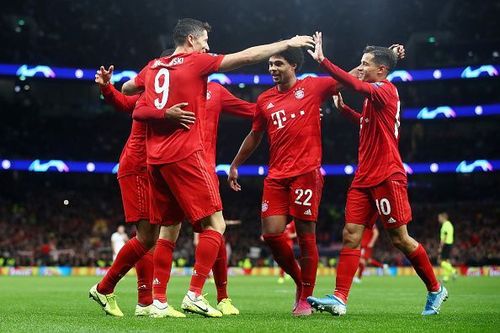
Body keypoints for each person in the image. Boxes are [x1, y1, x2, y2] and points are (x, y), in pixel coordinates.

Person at [90, 17, 314, 318]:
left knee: (159, 233)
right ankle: (194, 293)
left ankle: (150, 299)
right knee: (215, 225)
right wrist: (288, 43)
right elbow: (247, 56)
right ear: (192, 40)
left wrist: (122, 93)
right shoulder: (197, 63)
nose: (208, 45)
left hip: (156, 161)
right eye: (205, 40)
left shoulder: (155, 66)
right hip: (185, 156)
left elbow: (130, 89)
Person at [306, 31, 447, 316]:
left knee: (400, 239)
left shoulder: (386, 90)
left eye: (365, 64)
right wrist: (344, 110)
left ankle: (435, 289)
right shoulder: (374, 100)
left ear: (381, 70)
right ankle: (339, 299)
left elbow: (357, 86)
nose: (360, 68)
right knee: (351, 234)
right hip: (364, 177)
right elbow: (365, 124)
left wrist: (324, 62)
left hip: (386, 175)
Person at [228, 46, 340, 316]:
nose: (272, 69)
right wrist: (235, 164)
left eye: (278, 64)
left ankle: (306, 297)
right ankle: (301, 280)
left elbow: (351, 77)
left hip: (306, 172)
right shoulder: (264, 99)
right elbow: (255, 135)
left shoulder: (313, 87)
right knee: (271, 234)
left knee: (305, 235)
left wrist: (388, 56)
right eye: (270, 65)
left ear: (293, 66)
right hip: (276, 175)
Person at [92, 64, 187, 317]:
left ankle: (145, 303)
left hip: (152, 172)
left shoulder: (167, 100)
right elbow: (127, 104)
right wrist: (106, 88)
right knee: (145, 237)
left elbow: (124, 101)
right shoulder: (152, 100)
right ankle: (104, 287)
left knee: (149, 238)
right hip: (137, 168)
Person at [438, 212, 456, 282]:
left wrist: (440, 247)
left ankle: (453, 270)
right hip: (450, 243)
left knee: (441, 261)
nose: (438, 219)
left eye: (439, 218)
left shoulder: (445, 225)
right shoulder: (450, 225)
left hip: (446, 244)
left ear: (443, 218)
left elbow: (444, 237)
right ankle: (446, 277)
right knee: (447, 261)